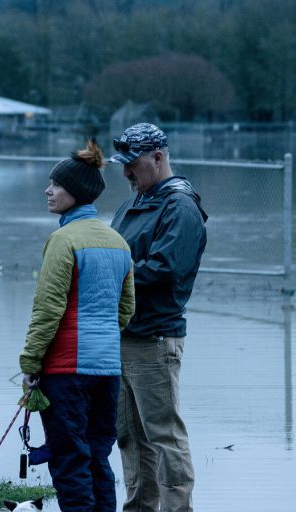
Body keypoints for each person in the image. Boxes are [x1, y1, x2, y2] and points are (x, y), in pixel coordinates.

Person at [19, 140, 135, 512]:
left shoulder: (63, 239)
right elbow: (126, 309)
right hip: (107, 372)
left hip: (66, 371)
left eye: (56, 185)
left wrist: (30, 362)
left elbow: (48, 308)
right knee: (98, 459)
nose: (48, 190)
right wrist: (101, 341)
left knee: (70, 461)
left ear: (77, 192)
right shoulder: (118, 242)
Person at [107, 123, 208, 512]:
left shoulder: (180, 206)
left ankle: (177, 509)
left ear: (158, 158)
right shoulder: (135, 201)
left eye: (133, 164)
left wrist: (112, 276)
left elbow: (166, 267)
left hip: (154, 338)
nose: (127, 172)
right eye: (123, 165)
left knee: (164, 435)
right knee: (130, 434)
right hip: (124, 334)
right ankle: (139, 507)